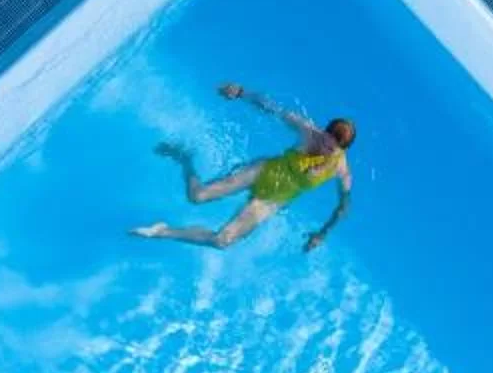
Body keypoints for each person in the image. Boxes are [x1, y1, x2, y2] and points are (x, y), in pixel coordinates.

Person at [131, 82, 355, 252]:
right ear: (323, 132)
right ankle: (185, 158)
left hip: (273, 199)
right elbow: (274, 108)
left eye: (331, 148)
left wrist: (322, 233)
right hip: (261, 172)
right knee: (197, 196)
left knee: (223, 241)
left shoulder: (341, 170)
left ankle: (162, 231)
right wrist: (241, 93)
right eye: (325, 140)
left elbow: (343, 206)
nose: (324, 148)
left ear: (341, 149)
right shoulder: (308, 132)